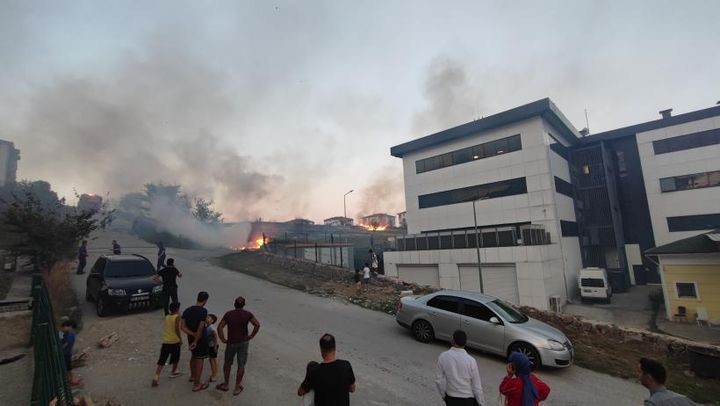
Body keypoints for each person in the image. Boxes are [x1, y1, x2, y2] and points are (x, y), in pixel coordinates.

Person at [216, 296, 261, 396]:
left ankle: (226, 384)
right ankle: (237, 387)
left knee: (228, 363)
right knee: (241, 365)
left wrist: (223, 339)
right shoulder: (247, 314)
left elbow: (220, 327)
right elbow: (257, 324)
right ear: (244, 305)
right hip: (243, 342)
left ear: (234, 304)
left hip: (231, 342)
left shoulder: (229, 314)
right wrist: (251, 336)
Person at [298, 333, 356, 406]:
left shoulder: (315, 371)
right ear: (334, 348)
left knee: (312, 367)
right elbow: (352, 389)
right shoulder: (346, 365)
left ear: (321, 350)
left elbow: (300, 392)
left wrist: (310, 380)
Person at [435, 330, 485, 406]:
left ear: (452, 340)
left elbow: (438, 380)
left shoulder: (443, 356)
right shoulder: (471, 361)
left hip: (451, 399)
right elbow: (477, 387)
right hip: (468, 401)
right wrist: (481, 403)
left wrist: (444, 396)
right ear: (465, 343)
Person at [180, 291, 210, 392]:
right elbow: (200, 328)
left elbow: (182, 327)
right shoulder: (203, 311)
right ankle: (197, 384)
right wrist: (196, 340)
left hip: (190, 337)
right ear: (205, 300)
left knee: (193, 356)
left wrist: (192, 334)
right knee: (199, 359)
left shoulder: (187, 310)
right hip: (200, 340)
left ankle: (193, 376)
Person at [152, 302, 183, 387]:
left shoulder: (167, 317)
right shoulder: (177, 317)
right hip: (174, 341)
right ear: (177, 309)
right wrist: (180, 339)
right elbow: (177, 328)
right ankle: (174, 371)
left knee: (162, 359)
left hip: (166, 341)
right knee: (175, 357)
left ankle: (156, 375)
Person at [61, 320, 81, 387]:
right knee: (68, 368)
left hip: (66, 353)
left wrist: (59, 349)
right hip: (68, 352)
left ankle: (73, 380)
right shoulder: (71, 333)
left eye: (64, 327)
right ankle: (71, 379)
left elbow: (65, 344)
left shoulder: (69, 335)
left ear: (68, 327)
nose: (63, 329)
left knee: (69, 368)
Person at [206, 314, 220, 383]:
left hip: (213, 346)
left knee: (212, 360)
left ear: (212, 320)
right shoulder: (208, 326)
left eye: (208, 318)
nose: (206, 318)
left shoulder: (211, 327)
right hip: (211, 345)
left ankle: (213, 376)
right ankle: (214, 373)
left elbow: (215, 335)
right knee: (212, 359)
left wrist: (215, 346)